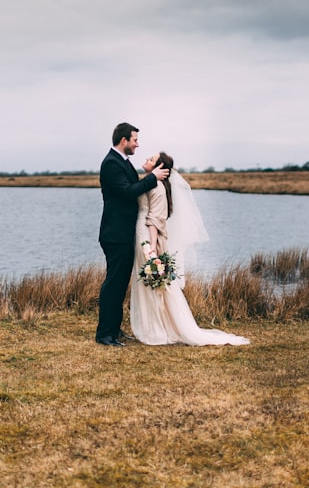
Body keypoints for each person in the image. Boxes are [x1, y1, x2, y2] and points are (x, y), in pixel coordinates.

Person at [129, 151, 250, 346]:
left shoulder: (158, 186)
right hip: (141, 233)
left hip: (146, 237)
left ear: (160, 167)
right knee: (147, 282)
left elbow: (155, 220)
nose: (146, 160)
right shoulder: (152, 182)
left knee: (153, 283)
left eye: (151, 159)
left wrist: (151, 249)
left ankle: (158, 328)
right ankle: (152, 325)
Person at [96, 122, 169, 346]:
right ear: (123, 140)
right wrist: (152, 177)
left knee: (119, 284)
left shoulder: (123, 162)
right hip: (115, 234)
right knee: (113, 284)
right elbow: (127, 193)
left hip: (124, 234)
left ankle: (114, 329)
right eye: (135, 140)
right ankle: (105, 335)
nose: (138, 144)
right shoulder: (111, 164)